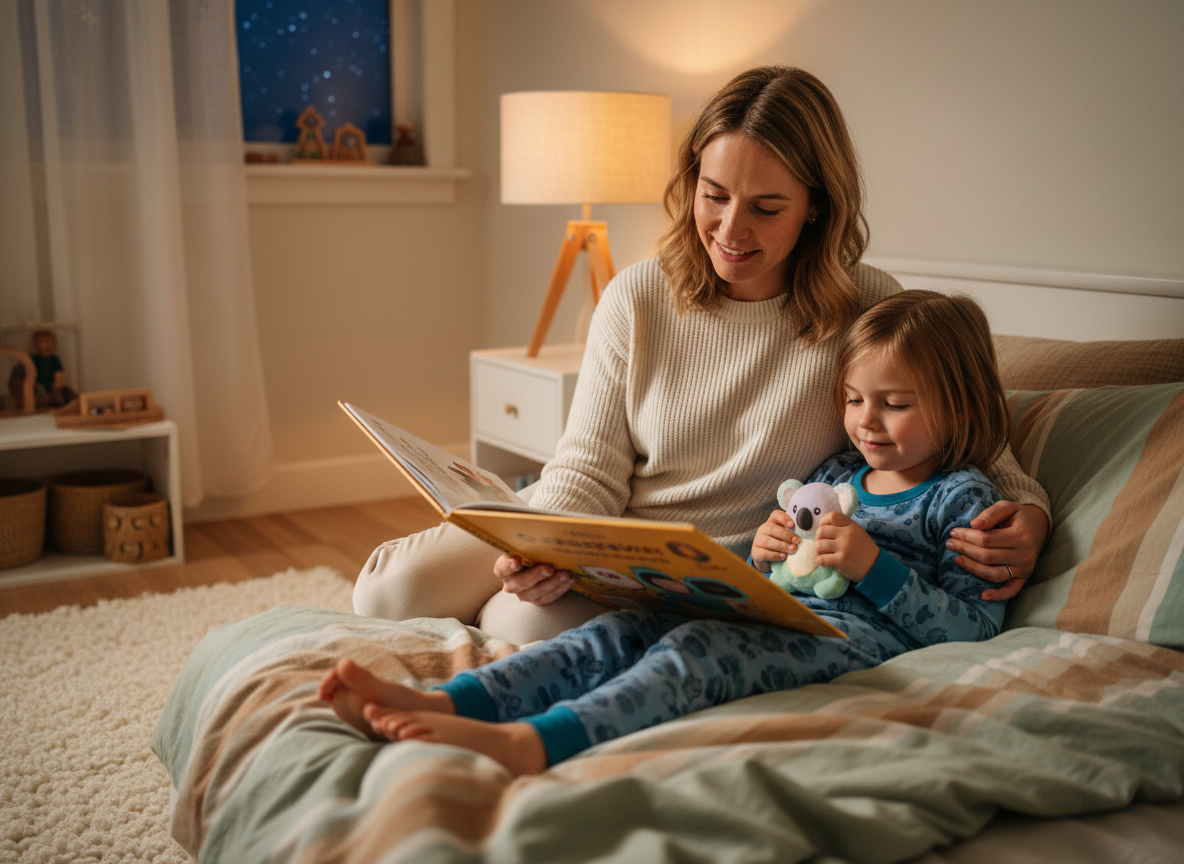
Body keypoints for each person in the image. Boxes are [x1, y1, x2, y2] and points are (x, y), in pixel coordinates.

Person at [352, 65, 1050, 646]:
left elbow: (962, 426)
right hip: (601, 533)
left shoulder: (868, 303)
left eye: (766, 207)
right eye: (713, 196)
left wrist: (1028, 507)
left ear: (815, 204)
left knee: (518, 628)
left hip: (714, 575)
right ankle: (499, 534)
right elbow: (589, 469)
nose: (730, 229)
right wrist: (543, 550)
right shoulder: (638, 297)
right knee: (386, 596)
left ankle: (501, 595)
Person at [320, 289, 1012, 776]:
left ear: (960, 402)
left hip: (841, 642)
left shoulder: (960, 499)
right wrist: (773, 556)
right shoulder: (836, 474)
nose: (866, 422)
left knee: (694, 653)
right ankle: (452, 700)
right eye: (854, 401)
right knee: (614, 634)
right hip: (777, 613)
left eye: (894, 405)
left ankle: (534, 743)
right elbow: (788, 572)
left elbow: (973, 631)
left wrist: (875, 568)